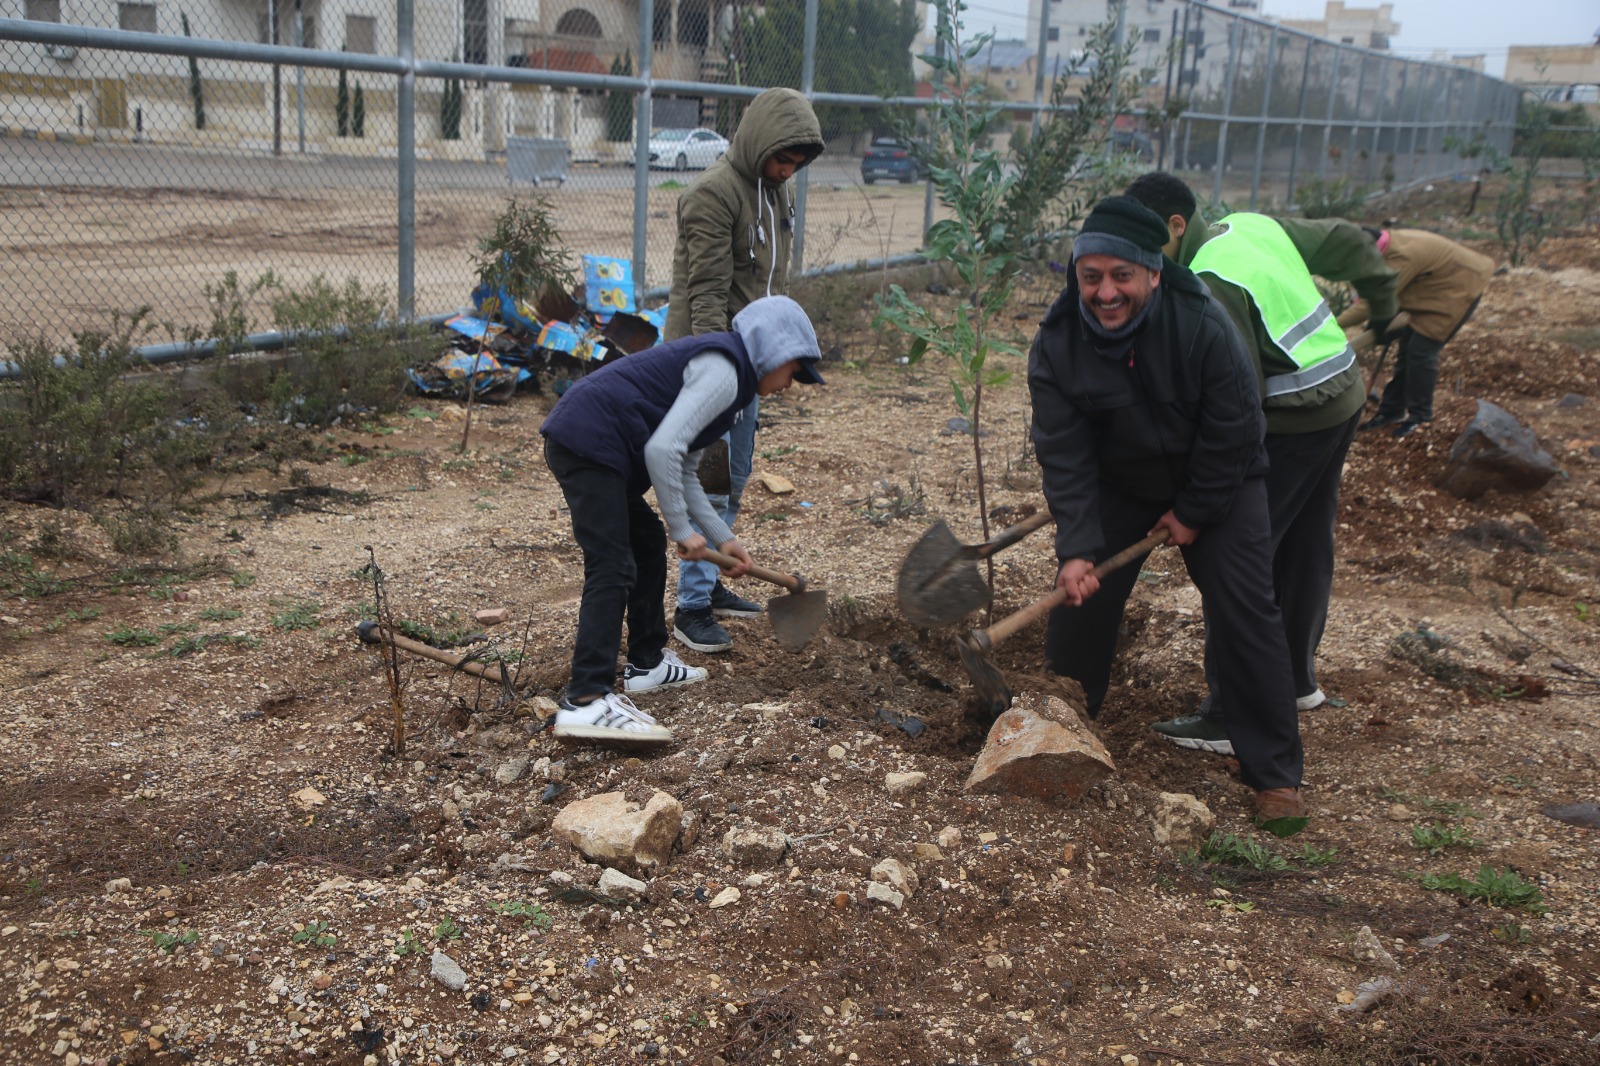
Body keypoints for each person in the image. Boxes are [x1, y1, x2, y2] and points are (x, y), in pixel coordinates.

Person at [1030, 195, 1307, 823]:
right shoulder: (1058, 344)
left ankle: (1275, 775)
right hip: (1122, 486)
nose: (1105, 293)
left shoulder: (1203, 325)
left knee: (1245, 607)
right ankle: (1061, 734)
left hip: (1222, 482)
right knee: (1081, 600)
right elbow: (1064, 453)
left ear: (1153, 273)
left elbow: (1236, 427)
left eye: (1121, 276)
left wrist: (1193, 512)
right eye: (1090, 276)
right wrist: (1077, 545)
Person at [1125, 173, 1398, 757]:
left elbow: (1233, 402)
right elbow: (1352, 242)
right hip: (1343, 390)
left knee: (1239, 562)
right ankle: (1296, 682)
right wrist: (1383, 307)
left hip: (1296, 416)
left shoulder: (1208, 283)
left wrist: (1193, 491)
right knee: (1304, 542)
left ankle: (1231, 715)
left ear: (1176, 227)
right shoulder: (1251, 225)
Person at [540, 296, 826, 746]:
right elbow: (661, 452)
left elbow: (686, 468)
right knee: (613, 564)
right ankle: (587, 698)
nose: (791, 383)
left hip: (598, 446)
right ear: (774, 352)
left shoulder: (734, 387)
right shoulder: (724, 369)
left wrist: (721, 538)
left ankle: (648, 663)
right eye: (794, 370)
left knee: (647, 540)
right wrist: (683, 530)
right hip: (589, 440)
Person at [664, 87, 825, 655]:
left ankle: (709, 588)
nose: (788, 171)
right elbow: (706, 294)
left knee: (731, 476)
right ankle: (690, 608)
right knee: (706, 476)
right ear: (760, 142)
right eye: (783, 159)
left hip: (747, 363)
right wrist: (719, 377)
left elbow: (766, 286)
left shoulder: (772, 192)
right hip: (710, 363)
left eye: (798, 164)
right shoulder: (713, 195)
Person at [1340, 227, 1495, 438]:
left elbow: (1370, 304)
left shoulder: (1401, 257)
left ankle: (1421, 418)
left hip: (1459, 286)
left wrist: (1331, 323)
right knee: (1406, 350)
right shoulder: (1386, 248)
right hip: (1432, 285)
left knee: (1421, 351)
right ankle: (1391, 412)